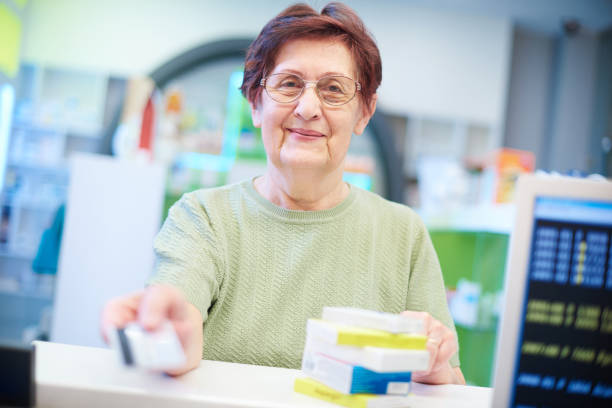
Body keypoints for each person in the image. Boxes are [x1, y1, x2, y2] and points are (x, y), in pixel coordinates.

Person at [102, 2, 465, 385]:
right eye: (289, 84)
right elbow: (180, 327)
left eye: (333, 89)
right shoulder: (203, 217)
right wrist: (168, 334)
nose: (308, 108)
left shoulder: (403, 234)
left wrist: (436, 366)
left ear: (364, 113)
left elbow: (453, 387)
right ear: (256, 104)